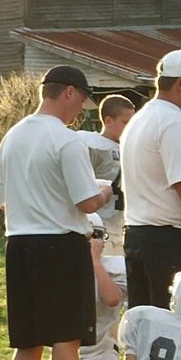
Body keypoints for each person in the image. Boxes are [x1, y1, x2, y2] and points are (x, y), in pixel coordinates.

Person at [0, 65, 113, 360]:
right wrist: (106, 193)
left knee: (27, 343)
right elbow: (84, 200)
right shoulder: (66, 139)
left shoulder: (11, 137)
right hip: (60, 244)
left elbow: (3, 200)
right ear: (67, 92)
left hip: (19, 242)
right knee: (66, 340)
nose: (81, 108)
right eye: (81, 99)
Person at [120, 49, 181, 310]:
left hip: (139, 233)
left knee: (145, 320)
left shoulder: (139, 118)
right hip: (172, 239)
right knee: (178, 322)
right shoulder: (173, 122)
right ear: (180, 83)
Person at [0, 213, 125, 360]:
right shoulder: (57, 270)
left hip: (98, 353)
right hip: (61, 355)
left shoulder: (112, 267)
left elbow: (112, 299)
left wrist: (95, 263)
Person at [79, 93, 135, 256]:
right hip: (98, 223)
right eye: (125, 122)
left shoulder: (130, 146)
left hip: (123, 222)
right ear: (108, 120)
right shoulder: (93, 145)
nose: (130, 127)